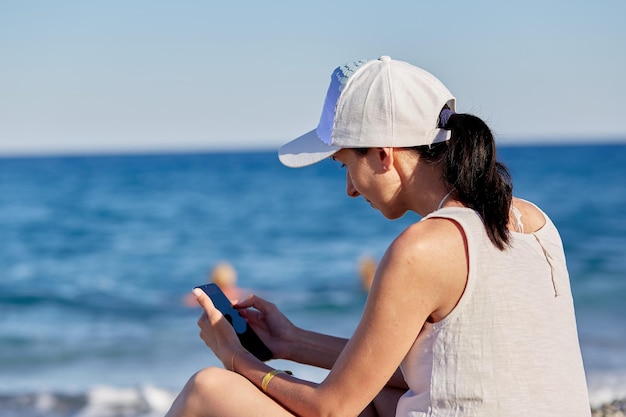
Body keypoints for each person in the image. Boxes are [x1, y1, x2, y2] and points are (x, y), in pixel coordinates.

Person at [166, 56, 591, 416]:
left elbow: (332, 407)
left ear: (384, 155)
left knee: (209, 389)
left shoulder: (424, 248)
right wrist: (291, 342)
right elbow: (434, 368)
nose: (349, 188)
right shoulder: (533, 221)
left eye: (344, 165)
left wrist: (236, 359)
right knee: (381, 396)